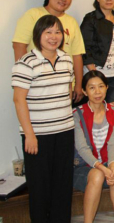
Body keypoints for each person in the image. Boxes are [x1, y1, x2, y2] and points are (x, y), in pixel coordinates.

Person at [12, 15, 75, 222]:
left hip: (64, 131)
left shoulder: (66, 59)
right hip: (38, 136)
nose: (53, 36)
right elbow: (19, 100)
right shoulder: (26, 62)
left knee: (62, 185)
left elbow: (67, 91)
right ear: (38, 34)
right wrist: (29, 134)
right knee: (39, 188)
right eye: (48, 32)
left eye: (57, 32)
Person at [12, 0, 85, 103]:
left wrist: (78, 84)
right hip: (37, 84)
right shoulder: (33, 15)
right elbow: (19, 46)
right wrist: (25, 78)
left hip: (64, 84)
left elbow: (77, 55)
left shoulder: (71, 22)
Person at [73, 70, 114, 223]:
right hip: (83, 166)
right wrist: (104, 169)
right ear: (84, 91)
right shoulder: (77, 114)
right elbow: (82, 149)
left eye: (101, 86)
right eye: (92, 88)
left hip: (104, 164)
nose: (97, 92)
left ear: (107, 88)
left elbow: (113, 143)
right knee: (97, 175)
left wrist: (112, 165)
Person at [80, 0, 114, 103]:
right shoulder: (91, 19)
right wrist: (94, 73)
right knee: (95, 111)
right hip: (96, 74)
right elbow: (84, 47)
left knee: (111, 110)